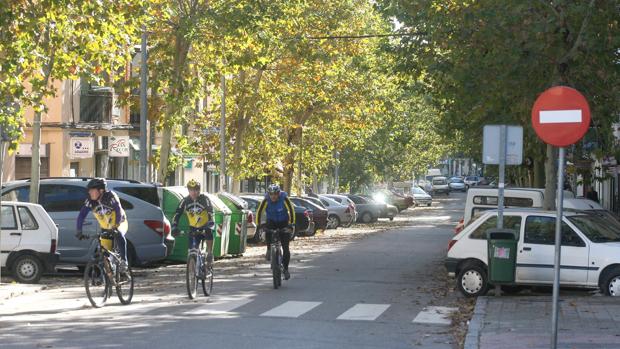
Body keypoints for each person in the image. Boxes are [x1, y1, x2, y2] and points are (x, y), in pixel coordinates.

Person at [76, 178, 129, 271]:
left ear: (101, 190)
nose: (89, 193)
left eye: (92, 190)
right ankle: (106, 277)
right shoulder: (90, 201)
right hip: (105, 228)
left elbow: (118, 210)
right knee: (104, 254)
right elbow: (81, 215)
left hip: (120, 222)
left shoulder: (111, 196)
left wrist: (116, 225)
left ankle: (124, 261)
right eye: (89, 191)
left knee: (119, 234)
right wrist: (79, 231)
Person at [171, 179, 215, 267]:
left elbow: (210, 211)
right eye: (191, 190)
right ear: (188, 191)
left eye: (196, 190)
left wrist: (210, 222)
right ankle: (192, 270)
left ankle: (209, 253)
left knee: (208, 232)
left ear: (199, 190)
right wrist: (174, 226)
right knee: (192, 250)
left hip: (205, 226)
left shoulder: (204, 199)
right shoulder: (185, 201)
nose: (194, 192)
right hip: (193, 228)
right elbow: (177, 214)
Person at [256, 184, 296, 280]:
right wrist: (259, 225)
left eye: (275, 194)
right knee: (268, 231)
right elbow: (259, 212)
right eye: (271, 194)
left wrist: (291, 224)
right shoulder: (266, 200)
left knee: (286, 248)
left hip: (283, 222)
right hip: (272, 221)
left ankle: (285, 269)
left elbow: (291, 210)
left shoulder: (284, 199)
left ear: (278, 194)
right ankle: (269, 249)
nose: (273, 196)